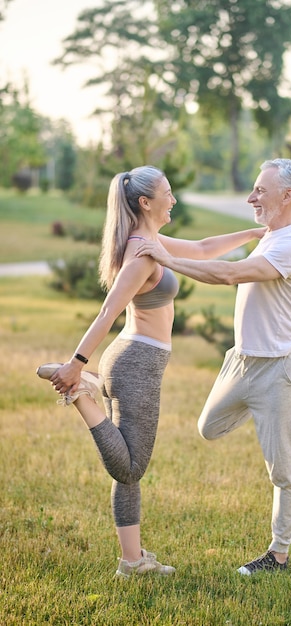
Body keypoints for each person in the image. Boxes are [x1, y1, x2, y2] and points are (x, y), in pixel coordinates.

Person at [37, 165, 271, 579]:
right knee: (129, 467)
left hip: (133, 360)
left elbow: (200, 249)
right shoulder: (142, 252)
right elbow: (109, 309)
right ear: (146, 202)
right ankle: (80, 395)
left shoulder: (150, 242)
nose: (174, 199)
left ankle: (132, 561)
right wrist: (76, 364)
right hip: (136, 364)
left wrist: (252, 235)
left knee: (129, 471)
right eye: (167, 193)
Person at [134, 158, 291, 575]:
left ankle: (278, 556)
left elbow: (229, 274)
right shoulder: (272, 235)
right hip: (242, 361)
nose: (251, 197)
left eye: (260, 190)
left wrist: (164, 258)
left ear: (288, 196)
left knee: (284, 470)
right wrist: (156, 243)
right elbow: (207, 249)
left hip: (279, 366)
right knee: (208, 428)